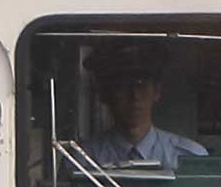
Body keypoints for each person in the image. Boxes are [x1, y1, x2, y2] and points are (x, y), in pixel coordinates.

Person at [82, 42, 208, 174]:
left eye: (141, 85)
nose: (134, 96)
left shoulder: (189, 157)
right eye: (122, 86)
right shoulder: (83, 160)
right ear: (105, 94)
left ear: (156, 91)